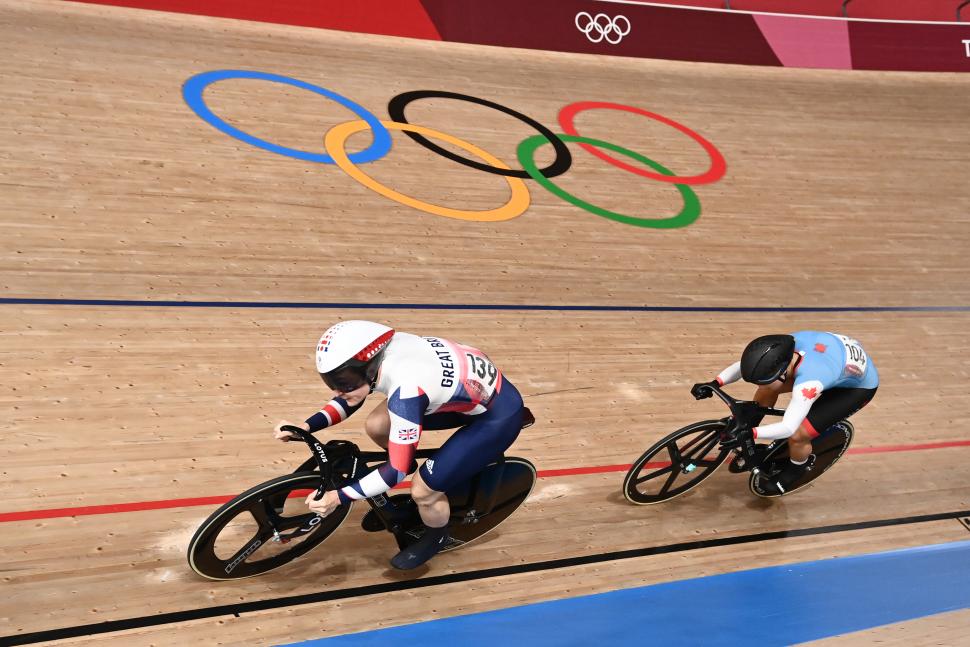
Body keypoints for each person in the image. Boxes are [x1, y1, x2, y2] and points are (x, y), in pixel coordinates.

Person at [274, 320, 525, 569]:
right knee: (377, 425)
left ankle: (436, 537)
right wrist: (307, 426)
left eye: (344, 383)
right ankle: (411, 456)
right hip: (464, 395)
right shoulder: (385, 353)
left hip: (497, 418)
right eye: (334, 382)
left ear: (368, 368)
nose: (338, 391)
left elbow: (396, 472)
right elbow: (351, 397)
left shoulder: (406, 390)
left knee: (422, 491)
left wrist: (339, 497)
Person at [691, 331, 878, 495]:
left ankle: (797, 469)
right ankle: (751, 421)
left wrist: (750, 433)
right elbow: (747, 364)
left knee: (798, 435)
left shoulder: (809, 381)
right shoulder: (780, 347)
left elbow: (788, 427)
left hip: (856, 388)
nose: (757, 384)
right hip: (831, 361)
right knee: (767, 388)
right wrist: (715, 382)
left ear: (782, 371)